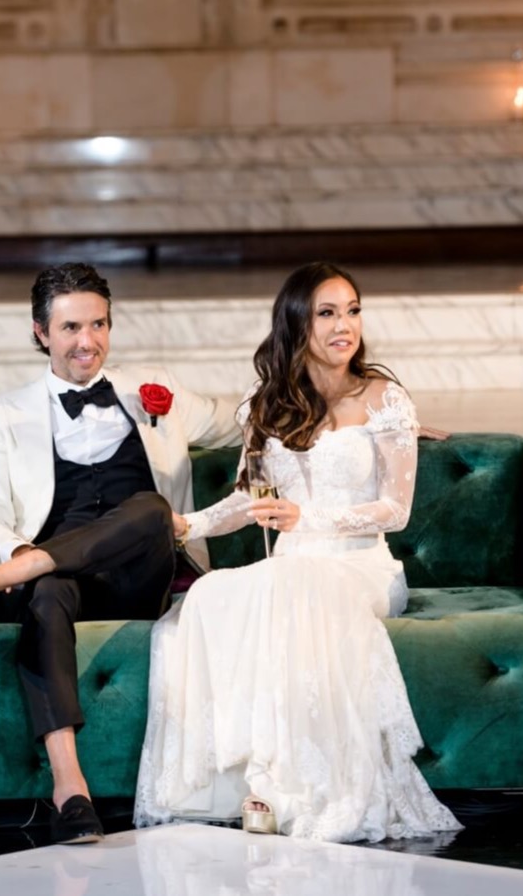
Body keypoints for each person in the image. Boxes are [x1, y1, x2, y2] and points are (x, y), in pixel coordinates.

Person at [0, 262, 241, 845]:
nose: (88, 342)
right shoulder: (2, 414)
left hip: (144, 576)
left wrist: (375, 420)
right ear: (41, 332)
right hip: (65, 581)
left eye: (99, 325)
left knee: (152, 511)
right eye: (70, 329)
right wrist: (19, 549)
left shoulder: (154, 391)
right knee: (49, 589)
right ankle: (70, 788)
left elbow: (249, 419)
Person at [134, 261, 462, 843]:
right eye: (328, 313)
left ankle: (289, 789)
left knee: (295, 589)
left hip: (361, 565)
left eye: (353, 311)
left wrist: (307, 515)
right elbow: (250, 499)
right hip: (290, 566)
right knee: (214, 594)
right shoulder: (266, 403)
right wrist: (186, 526)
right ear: (295, 324)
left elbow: (396, 510)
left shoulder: (384, 397)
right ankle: (259, 780)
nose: (345, 326)